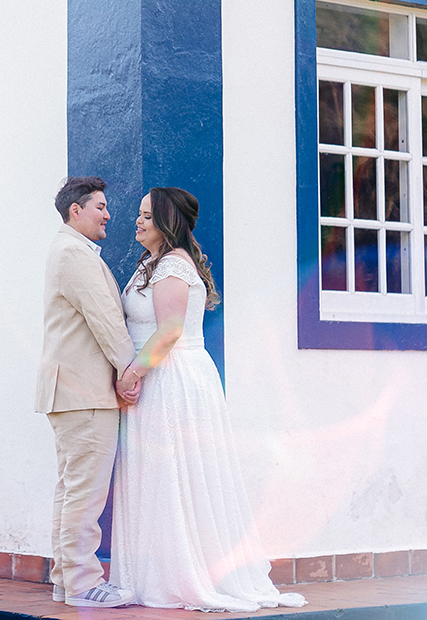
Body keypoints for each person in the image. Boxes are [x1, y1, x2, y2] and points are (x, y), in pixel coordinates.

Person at [110, 187, 306, 611]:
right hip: (159, 378)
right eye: (139, 215)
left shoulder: (173, 267)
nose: (138, 221)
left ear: (167, 222)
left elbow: (169, 332)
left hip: (171, 379)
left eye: (146, 215)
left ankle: (184, 574)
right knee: (159, 477)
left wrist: (132, 373)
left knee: (174, 475)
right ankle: (157, 573)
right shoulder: (153, 263)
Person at [36, 176, 141, 608]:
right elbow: (105, 320)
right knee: (85, 491)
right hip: (84, 393)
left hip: (71, 393)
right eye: (100, 207)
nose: (108, 215)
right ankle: (82, 582)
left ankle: (67, 580)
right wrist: (130, 369)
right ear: (75, 210)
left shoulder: (68, 251)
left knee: (72, 488)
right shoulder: (73, 254)